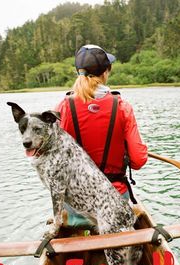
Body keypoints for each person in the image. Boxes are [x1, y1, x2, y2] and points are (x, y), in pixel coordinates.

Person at [55, 44, 148, 229]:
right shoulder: (123, 107)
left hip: (76, 207)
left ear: (78, 72)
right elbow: (138, 160)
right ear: (106, 72)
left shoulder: (62, 108)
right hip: (115, 199)